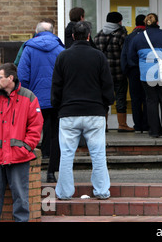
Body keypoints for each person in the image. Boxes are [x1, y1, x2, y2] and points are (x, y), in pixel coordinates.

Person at [51, 21, 115, 200]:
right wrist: (106, 103)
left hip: (69, 112)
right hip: (94, 112)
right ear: (89, 36)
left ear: (72, 36)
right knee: (98, 154)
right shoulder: (99, 56)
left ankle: (64, 192)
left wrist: (58, 106)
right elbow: (107, 85)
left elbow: (56, 85)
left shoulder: (63, 56)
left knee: (66, 155)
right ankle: (102, 191)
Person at [0, 63, 43, 222]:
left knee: (21, 197)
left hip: (19, 157)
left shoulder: (28, 98)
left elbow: (36, 126)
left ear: (10, 78)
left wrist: (26, 147)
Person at [17, 20, 65, 183]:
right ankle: (51, 173)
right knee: (55, 135)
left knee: (31, 133)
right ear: (52, 31)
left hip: (34, 99)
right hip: (56, 99)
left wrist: (25, 97)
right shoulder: (60, 48)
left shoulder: (29, 48)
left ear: (36, 32)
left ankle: (29, 171)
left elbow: (22, 76)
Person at [127, 13, 162, 139]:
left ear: (145, 23)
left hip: (147, 75)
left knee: (151, 101)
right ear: (158, 22)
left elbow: (131, 57)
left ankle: (154, 131)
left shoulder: (138, 38)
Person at [94, 11, 134, 132]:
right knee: (120, 98)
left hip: (103, 73)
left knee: (104, 99)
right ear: (119, 21)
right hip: (118, 72)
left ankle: (104, 125)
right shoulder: (122, 34)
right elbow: (125, 53)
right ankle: (122, 124)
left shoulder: (99, 35)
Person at [121, 14, 149, 134]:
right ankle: (147, 124)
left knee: (135, 99)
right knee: (148, 98)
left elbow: (124, 55)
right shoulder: (148, 36)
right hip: (148, 70)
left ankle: (137, 125)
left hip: (133, 71)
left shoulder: (130, 37)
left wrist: (126, 71)